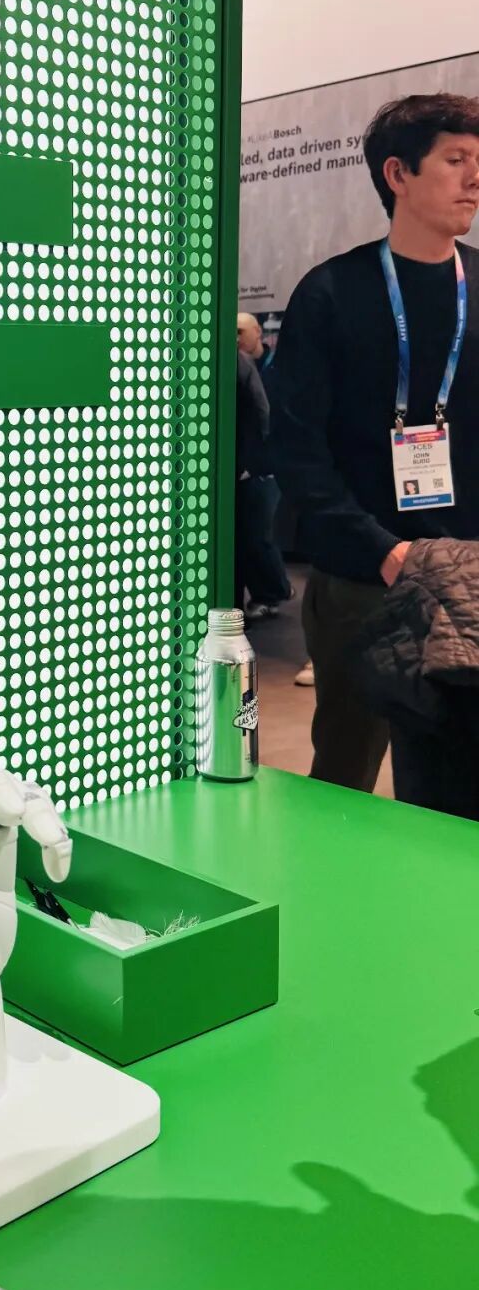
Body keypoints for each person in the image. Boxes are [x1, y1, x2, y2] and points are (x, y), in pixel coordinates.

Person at [271, 93, 479, 802]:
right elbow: (296, 448)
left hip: (469, 578)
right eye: (455, 160)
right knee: (344, 781)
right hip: (364, 578)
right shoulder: (332, 293)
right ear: (398, 173)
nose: (474, 178)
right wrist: (381, 550)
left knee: (458, 790)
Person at [235, 313, 292, 619]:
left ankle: (273, 591)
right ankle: (273, 590)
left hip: (262, 464)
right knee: (252, 534)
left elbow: (266, 414)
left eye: (240, 331)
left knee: (258, 535)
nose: (236, 338)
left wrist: (263, 461)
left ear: (258, 331)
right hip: (251, 463)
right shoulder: (243, 364)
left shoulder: (276, 367)